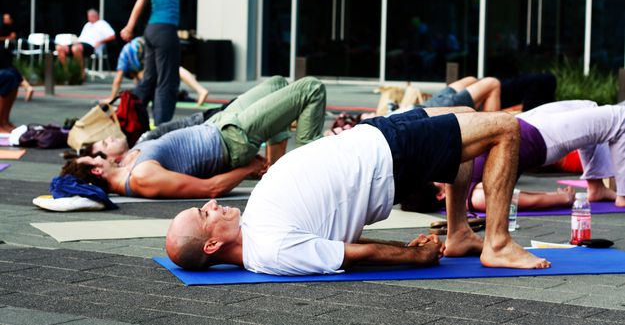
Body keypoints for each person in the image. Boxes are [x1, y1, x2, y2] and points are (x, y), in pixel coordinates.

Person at [166, 107, 552, 274]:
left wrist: (410, 249)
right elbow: (352, 254)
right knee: (505, 128)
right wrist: (414, 258)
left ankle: (459, 233)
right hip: (388, 157)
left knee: (467, 117)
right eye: (205, 214)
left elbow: (332, 236)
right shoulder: (271, 251)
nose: (212, 204)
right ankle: (498, 243)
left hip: (376, 139)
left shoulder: (257, 231)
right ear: (212, 245)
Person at [61, 76, 326, 199]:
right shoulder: (141, 178)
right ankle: (310, 168)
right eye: (95, 157)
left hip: (219, 124)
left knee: (278, 83)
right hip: (230, 140)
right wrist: (249, 167)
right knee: (311, 88)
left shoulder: (127, 161)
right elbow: (211, 189)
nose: (100, 155)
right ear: (97, 169)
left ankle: (277, 174)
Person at [402, 100, 624, 213]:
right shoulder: (473, 197)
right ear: (441, 194)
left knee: (589, 106)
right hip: (543, 138)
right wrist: (564, 198)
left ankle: (596, 186)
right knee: (619, 118)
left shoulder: (447, 170)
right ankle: (623, 195)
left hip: (525, 122)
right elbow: (523, 199)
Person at [120, 0, 183, 125]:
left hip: (157, 30)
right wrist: (129, 27)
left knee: (151, 79)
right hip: (163, 30)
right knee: (167, 81)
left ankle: (127, 115)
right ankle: (161, 130)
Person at [104, 36, 209, 106]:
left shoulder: (124, 57)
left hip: (149, 45)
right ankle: (200, 90)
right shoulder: (134, 56)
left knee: (172, 69)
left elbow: (118, 79)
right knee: (172, 68)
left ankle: (200, 90)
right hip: (157, 40)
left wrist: (112, 98)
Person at [55, 9, 116, 77]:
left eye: (90, 16)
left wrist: (100, 42)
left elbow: (112, 36)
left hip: (91, 46)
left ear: (95, 16)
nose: (88, 18)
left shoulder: (102, 24)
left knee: (76, 48)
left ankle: (80, 73)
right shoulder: (87, 25)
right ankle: (67, 72)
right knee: (59, 48)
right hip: (79, 43)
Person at [0, 13, 34, 101]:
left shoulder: (13, 27)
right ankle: (26, 86)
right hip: (3, 51)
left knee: (8, 70)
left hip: (7, 49)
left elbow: (12, 37)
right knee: (10, 69)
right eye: (4, 18)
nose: (5, 20)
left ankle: (26, 86)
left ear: (11, 19)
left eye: (7, 18)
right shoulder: (2, 27)